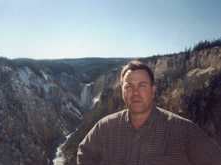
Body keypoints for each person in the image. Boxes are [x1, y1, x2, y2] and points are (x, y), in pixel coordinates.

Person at [77, 60, 221, 165]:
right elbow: (85, 153)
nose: (135, 93)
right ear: (122, 92)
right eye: (129, 87)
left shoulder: (184, 131)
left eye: (142, 86)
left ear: (153, 90)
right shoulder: (106, 127)